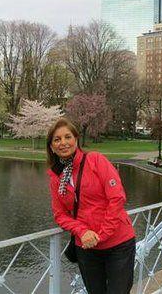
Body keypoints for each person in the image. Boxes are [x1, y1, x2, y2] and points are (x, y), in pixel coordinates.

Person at [46, 117, 136, 294]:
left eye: (67, 137)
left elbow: (116, 198)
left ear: (76, 139)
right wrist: (82, 231)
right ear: (51, 147)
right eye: (57, 139)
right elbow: (60, 214)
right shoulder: (56, 178)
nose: (63, 143)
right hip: (86, 248)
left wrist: (101, 235)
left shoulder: (96, 160)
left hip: (118, 243)